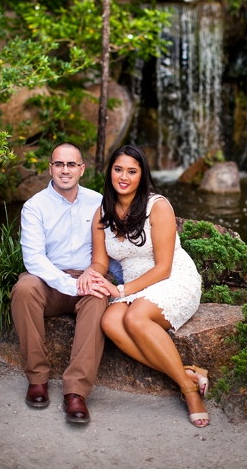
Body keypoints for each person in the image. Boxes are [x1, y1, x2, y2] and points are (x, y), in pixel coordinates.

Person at [82, 144, 209, 428]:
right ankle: (187, 373)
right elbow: (100, 261)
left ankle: (189, 392)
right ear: (110, 173)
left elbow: (163, 268)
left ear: (142, 175)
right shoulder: (102, 213)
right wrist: (94, 275)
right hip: (136, 287)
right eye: (118, 169)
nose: (123, 177)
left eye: (131, 171)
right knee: (111, 322)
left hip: (173, 278)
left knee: (135, 318)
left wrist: (123, 291)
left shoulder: (158, 206)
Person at [12, 142, 116, 424]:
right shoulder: (35, 207)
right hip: (49, 282)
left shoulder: (98, 202)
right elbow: (33, 259)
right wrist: (70, 285)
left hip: (88, 275)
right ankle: (37, 378)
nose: (65, 170)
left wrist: (99, 280)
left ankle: (76, 392)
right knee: (24, 288)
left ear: (82, 169)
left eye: (71, 164)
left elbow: (112, 248)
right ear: (50, 168)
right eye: (59, 164)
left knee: (97, 297)